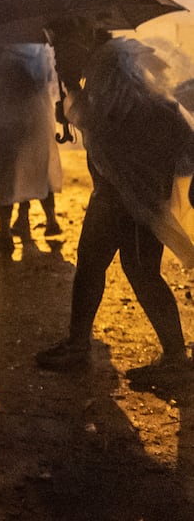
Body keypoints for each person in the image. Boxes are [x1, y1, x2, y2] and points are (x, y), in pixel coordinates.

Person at [36, 27, 194, 377]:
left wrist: (74, 95)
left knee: (140, 271)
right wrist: (74, 97)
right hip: (113, 192)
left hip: (133, 196)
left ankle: (175, 357)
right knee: (91, 264)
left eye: (62, 49)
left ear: (82, 42)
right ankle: (78, 346)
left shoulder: (113, 70)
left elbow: (114, 126)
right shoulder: (107, 70)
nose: (59, 59)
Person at [0, 43, 62, 251]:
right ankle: (44, 218)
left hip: (5, 118)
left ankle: (5, 233)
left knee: (4, 175)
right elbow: (48, 78)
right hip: (36, 118)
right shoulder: (40, 48)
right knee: (37, 169)